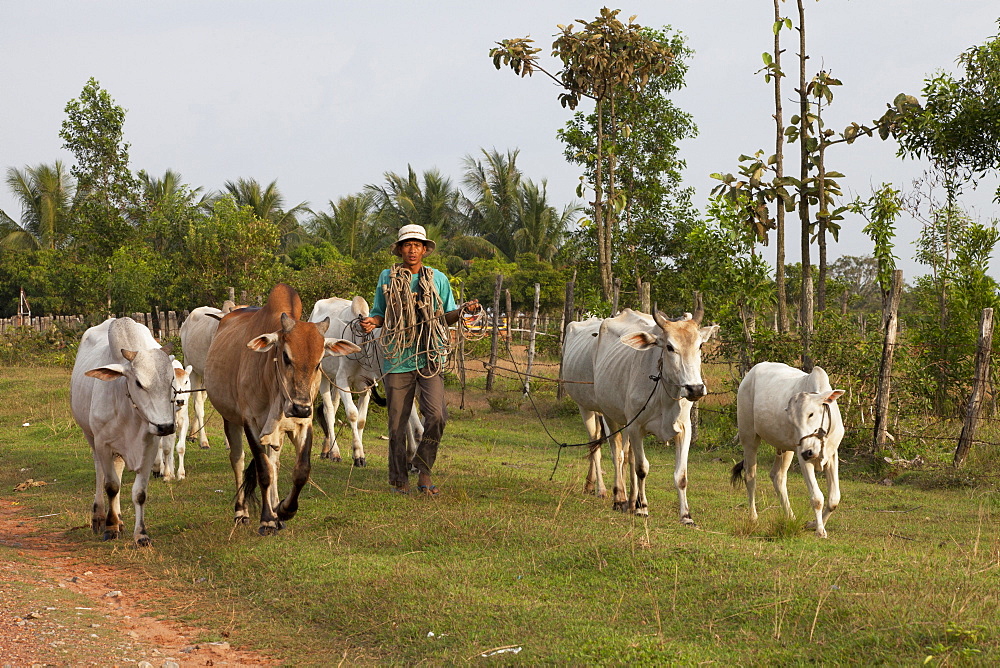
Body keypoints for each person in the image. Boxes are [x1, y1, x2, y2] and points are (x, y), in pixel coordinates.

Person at [360, 224, 479, 496]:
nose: (412, 249)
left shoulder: (437, 279)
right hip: (397, 357)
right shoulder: (386, 278)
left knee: (436, 415)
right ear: (400, 249)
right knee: (396, 423)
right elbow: (380, 312)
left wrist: (463, 311)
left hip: (430, 355)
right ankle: (399, 479)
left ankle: (423, 470)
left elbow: (446, 315)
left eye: (417, 245)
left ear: (425, 250)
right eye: (407, 244)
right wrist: (371, 322)